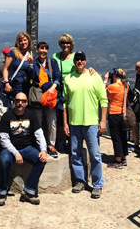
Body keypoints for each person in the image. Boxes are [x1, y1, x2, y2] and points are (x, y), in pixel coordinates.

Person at [63, 51, 108, 199]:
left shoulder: (94, 77)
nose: (79, 62)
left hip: (91, 123)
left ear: (86, 61)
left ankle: (97, 184)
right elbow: (64, 103)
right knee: (76, 154)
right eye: (77, 59)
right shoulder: (68, 79)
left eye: (82, 59)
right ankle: (80, 181)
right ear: (74, 62)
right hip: (74, 123)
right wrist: (65, 123)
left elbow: (103, 100)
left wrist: (102, 120)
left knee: (94, 154)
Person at [0, 92, 48, 207]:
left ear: (26, 103)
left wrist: (43, 150)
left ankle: (29, 191)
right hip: (10, 149)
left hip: (27, 147)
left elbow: (39, 133)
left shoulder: (31, 115)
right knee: (4, 161)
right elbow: (3, 139)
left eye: (23, 101)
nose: (20, 103)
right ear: (14, 102)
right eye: (18, 100)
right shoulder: (7, 116)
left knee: (41, 159)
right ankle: (2, 191)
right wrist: (16, 153)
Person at [29, 41, 61, 158]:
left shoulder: (52, 62)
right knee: (38, 122)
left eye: (45, 49)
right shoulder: (34, 63)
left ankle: (51, 145)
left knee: (52, 121)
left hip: (50, 96)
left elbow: (57, 77)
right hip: (38, 96)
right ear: (37, 50)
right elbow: (31, 78)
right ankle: (40, 145)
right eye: (41, 48)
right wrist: (31, 65)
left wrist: (52, 88)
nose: (43, 51)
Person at [104, 68, 129, 169]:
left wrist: (105, 80)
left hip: (114, 113)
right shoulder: (126, 85)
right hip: (123, 113)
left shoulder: (112, 87)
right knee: (123, 136)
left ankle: (118, 160)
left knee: (116, 136)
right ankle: (123, 157)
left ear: (114, 76)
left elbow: (101, 91)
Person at [2, 32, 34, 102]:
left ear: (28, 41)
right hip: (14, 86)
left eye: (25, 40)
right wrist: (6, 83)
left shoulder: (30, 55)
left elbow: (31, 74)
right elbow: (6, 68)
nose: (23, 42)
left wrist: (31, 64)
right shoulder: (13, 52)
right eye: (21, 41)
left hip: (25, 86)